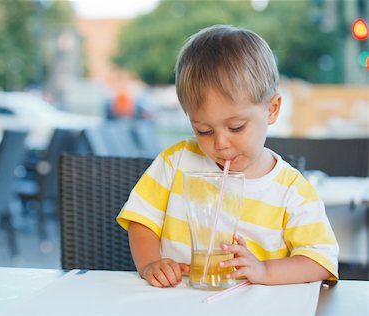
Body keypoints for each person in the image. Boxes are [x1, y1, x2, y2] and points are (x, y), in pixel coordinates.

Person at [117, 25, 339, 288]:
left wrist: (264, 271)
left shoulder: (292, 191)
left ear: (272, 109)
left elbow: (321, 261)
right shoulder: (175, 162)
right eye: (204, 130)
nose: (220, 144)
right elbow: (141, 222)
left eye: (236, 127)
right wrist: (150, 263)